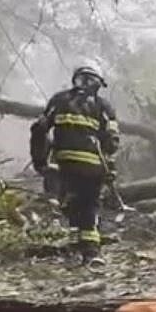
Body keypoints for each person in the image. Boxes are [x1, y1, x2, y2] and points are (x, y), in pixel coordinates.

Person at [30, 65, 119, 264]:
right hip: (93, 166)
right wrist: (110, 168)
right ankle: (91, 252)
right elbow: (112, 142)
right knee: (90, 206)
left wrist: (40, 161)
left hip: (65, 165)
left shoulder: (59, 100)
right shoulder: (103, 106)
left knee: (71, 204)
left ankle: (75, 248)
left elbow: (39, 129)